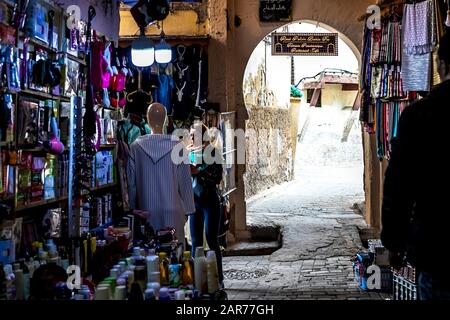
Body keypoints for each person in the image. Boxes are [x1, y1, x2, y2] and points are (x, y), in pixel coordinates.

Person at [381, 33, 450, 300]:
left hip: (437, 250)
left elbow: (398, 186)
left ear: (441, 65)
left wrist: (394, 244)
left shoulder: (419, 115)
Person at [127, 103, 195, 243]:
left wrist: (132, 209)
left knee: (149, 256)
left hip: (146, 211)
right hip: (173, 210)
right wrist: (188, 209)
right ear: (165, 120)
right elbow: (185, 181)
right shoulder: (178, 147)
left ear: (147, 119)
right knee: (174, 256)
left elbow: (131, 185)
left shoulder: (135, 148)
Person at [188, 122, 225, 287]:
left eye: (193, 135)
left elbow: (217, 178)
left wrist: (199, 171)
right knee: (196, 242)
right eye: (190, 135)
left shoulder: (213, 152)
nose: (190, 138)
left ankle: (219, 279)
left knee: (211, 240)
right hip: (195, 202)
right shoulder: (190, 154)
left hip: (210, 201)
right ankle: (198, 279)